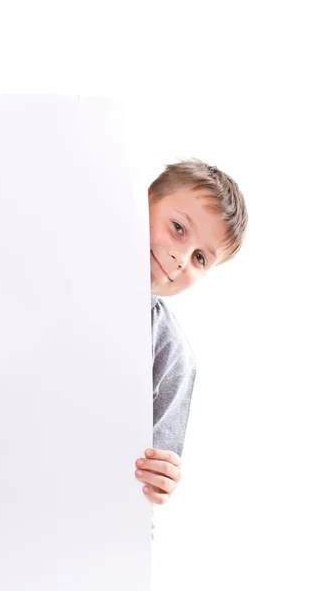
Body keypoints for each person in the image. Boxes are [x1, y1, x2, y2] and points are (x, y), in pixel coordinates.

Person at [134, 159, 248, 516]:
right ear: (142, 201)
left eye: (200, 257)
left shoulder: (173, 355)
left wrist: (161, 477)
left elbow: (152, 475)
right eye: (178, 228)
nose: (181, 258)